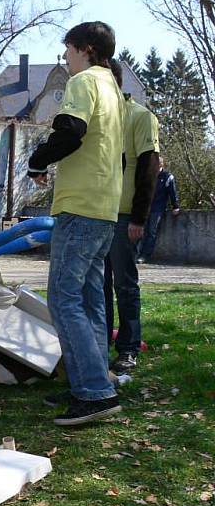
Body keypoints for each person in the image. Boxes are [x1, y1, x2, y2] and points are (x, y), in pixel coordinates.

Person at [28, 21, 124, 426]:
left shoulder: (83, 83)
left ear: (84, 49)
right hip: (104, 206)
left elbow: (71, 130)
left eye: (66, 50)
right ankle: (95, 381)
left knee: (63, 299)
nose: (64, 59)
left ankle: (94, 393)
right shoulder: (114, 90)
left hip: (81, 205)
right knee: (90, 300)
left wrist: (38, 159)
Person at [103, 61, 160, 375]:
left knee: (124, 285)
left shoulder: (140, 117)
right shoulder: (99, 118)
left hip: (125, 217)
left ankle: (128, 348)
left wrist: (139, 217)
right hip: (96, 215)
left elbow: (150, 168)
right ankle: (99, 347)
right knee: (97, 287)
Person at [137, 156, 180, 263]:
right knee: (140, 231)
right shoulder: (147, 175)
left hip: (157, 208)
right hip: (145, 208)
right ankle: (136, 253)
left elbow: (172, 193)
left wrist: (175, 206)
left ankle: (145, 255)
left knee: (151, 232)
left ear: (160, 165)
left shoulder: (167, 177)